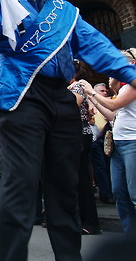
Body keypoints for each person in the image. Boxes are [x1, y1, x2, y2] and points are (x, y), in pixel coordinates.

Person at [0, 0, 136, 260]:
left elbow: (96, 46)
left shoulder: (65, 11)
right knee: (22, 184)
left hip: (61, 97)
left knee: (65, 190)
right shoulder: (1, 2)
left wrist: (132, 75)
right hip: (20, 95)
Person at [80, 47, 136, 236]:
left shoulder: (133, 84)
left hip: (132, 143)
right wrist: (93, 98)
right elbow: (112, 115)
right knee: (120, 193)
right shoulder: (122, 87)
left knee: (134, 193)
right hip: (119, 144)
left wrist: (90, 91)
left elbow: (114, 104)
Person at [69, 60, 101, 235]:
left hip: (81, 134)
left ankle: (89, 222)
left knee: (82, 180)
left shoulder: (78, 86)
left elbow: (71, 105)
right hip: (76, 134)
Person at [89, 83, 115, 204]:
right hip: (94, 138)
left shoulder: (109, 102)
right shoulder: (89, 100)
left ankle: (110, 192)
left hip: (107, 138)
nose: (105, 93)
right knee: (100, 167)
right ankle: (106, 194)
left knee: (109, 166)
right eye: (102, 91)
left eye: (105, 91)